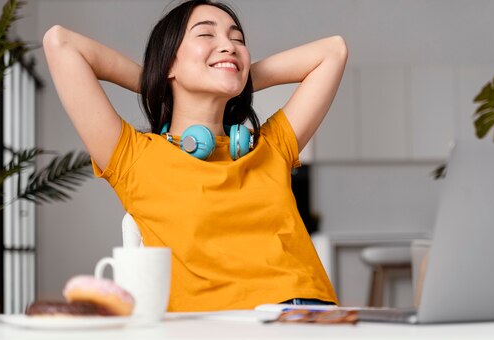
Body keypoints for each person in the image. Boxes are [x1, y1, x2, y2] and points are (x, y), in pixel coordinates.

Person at [43, 0, 348, 312]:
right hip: (217, 328)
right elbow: (60, 43)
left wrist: (236, 74)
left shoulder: (271, 146)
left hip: (313, 315)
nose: (228, 45)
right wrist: (155, 79)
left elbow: (333, 51)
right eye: (206, 35)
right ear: (169, 62)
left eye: (238, 40)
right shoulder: (134, 157)